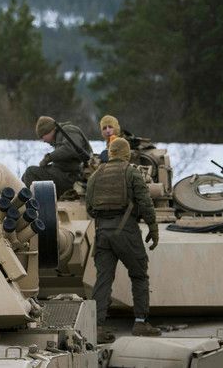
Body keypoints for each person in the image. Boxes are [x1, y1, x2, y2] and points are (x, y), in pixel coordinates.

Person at [86, 137, 162, 341]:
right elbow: (145, 203)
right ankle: (140, 323)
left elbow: (89, 208)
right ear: (127, 154)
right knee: (139, 275)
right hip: (126, 230)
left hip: (102, 232)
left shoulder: (95, 175)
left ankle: (96, 327)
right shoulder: (132, 172)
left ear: (111, 153)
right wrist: (153, 228)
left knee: (103, 279)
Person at [22, 116, 88, 195]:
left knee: (30, 172)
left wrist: (49, 157)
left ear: (48, 131)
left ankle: (40, 201)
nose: (43, 140)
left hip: (73, 177)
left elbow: (71, 148)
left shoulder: (69, 130)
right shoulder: (59, 136)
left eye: (42, 136)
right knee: (25, 176)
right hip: (65, 174)